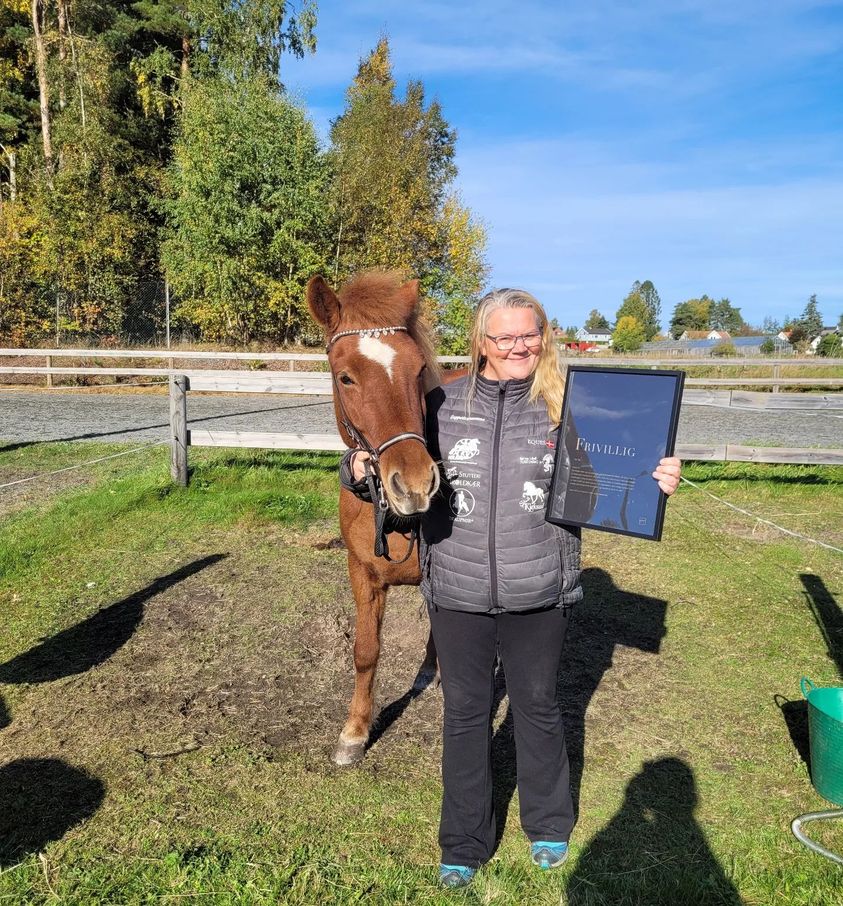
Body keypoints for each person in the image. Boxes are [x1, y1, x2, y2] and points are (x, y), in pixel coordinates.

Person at [341, 288, 681, 888]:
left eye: (530, 334)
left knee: (539, 707)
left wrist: (653, 479)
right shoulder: (441, 403)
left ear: (543, 337)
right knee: (465, 715)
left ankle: (548, 822)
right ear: (481, 342)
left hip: (539, 587)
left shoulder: (569, 407)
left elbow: (610, 474)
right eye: (504, 336)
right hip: (459, 589)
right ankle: (465, 840)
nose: (519, 345)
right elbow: (385, 434)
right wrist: (356, 469)